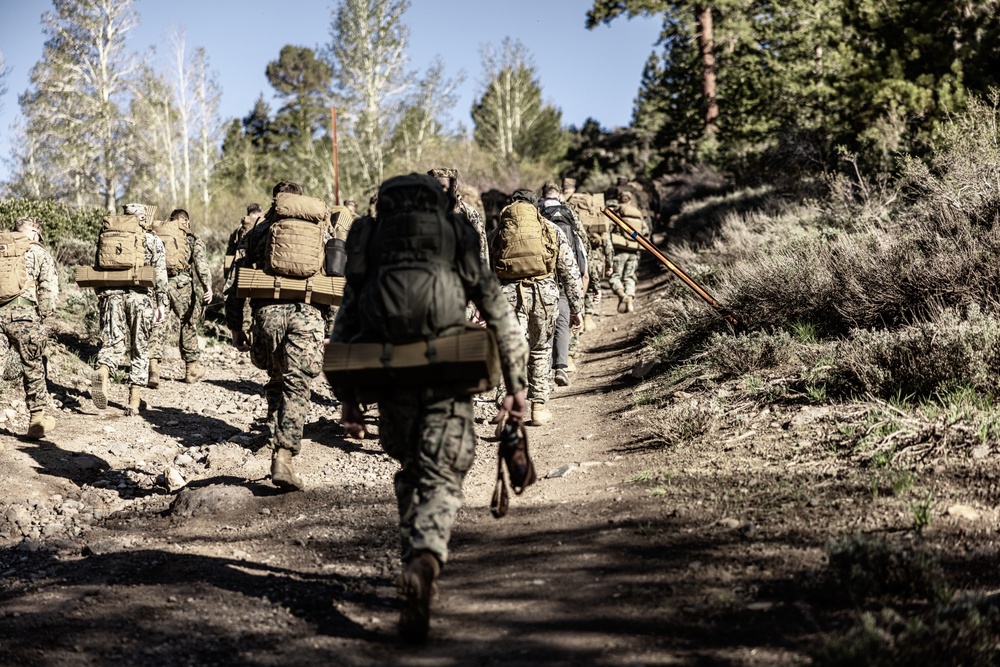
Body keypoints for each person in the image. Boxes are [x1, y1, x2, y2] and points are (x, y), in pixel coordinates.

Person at [330, 173, 528, 643]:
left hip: (389, 375)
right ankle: (425, 555)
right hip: (448, 373)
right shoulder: (456, 232)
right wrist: (515, 384)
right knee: (444, 474)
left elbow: (348, 316)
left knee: (411, 468)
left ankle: (410, 563)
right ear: (439, 201)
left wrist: (349, 397)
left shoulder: (372, 237)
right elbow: (496, 307)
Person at [225, 181, 334, 492]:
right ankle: (284, 454)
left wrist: (235, 324)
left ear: (276, 201)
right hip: (308, 315)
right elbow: (337, 280)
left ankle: (276, 441)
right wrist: (330, 329)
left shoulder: (259, 231)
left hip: (267, 317)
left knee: (275, 378)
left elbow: (237, 280)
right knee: (297, 384)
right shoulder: (320, 231)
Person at [489, 188, 584, 426]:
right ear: (536, 206)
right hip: (544, 295)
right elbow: (570, 271)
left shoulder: (498, 232)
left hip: (508, 296)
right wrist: (576, 308)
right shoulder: (550, 229)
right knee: (540, 350)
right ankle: (538, 409)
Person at [91, 203, 168, 415]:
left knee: (113, 343)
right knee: (139, 347)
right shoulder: (152, 240)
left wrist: (102, 294)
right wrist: (162, 303)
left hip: (111, 296)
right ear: (143, 217)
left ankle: (104, 372)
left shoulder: (107, 236)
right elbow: (161, 275)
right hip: (140, 297)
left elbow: (97, 265)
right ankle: (134, 400)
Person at [0, 216, 58, 439]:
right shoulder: (38, 251)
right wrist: (42, 317)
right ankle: (36, 420)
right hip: (24, 315)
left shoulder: (2, 247)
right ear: (34, 233)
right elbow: (48, 290)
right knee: (33, 366)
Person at [149, 209, 213, 387]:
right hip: (182, 286)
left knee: (158, 323)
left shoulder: (157, 234)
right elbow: (201, 264)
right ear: (187, 220)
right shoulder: (191, 237)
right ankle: (191, 370)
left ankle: (153, 368)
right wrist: (207, 285)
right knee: (188, 323)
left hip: (158, 284)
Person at [538, 183, 588, 387]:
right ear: (559, 194)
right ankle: (561, 367)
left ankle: (543, 371)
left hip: (543, 274)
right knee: (563, 319)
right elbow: (581, 241)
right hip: (566, 271)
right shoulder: (569, 213)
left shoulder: (538, 212)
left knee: (545, 321)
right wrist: (584, 274)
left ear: (542, 195)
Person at [563, 176, 614, 332]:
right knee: (590, 283)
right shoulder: (592, 205)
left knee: (572, 286)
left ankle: (575, 320)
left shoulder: (564, 204)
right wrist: (609, 263)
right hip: (594, 254)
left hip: (571, 254)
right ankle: (588, 317)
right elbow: (606, 239)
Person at [428, 168, 488, 269]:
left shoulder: (469, 213)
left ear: (454, 187)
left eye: (443, 187)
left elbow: (482, 250)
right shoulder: (423, 212)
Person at [609, 191, 649, 313]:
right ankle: (630, 298)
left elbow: (608, 229)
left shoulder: (616, 212)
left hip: (619, 249)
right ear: (630, 200)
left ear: (619, 199)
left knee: (615, 276)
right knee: (629, 277)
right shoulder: (638, 214)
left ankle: (622, 295)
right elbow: (645, 231)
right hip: (634, 250)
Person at [225, 203, 264, 281]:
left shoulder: (239, 230)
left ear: (248, 213)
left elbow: (230, 255)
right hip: (261, 271)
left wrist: (227, 275)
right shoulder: (265, 226)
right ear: (261, 213)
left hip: (241, 269)